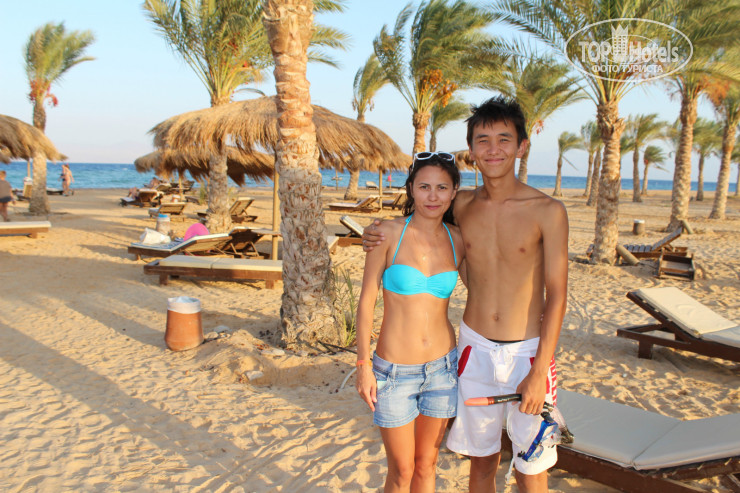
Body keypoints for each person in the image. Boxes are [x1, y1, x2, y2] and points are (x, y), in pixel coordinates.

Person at [363, 96, 569, 493]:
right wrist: (375, 233)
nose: (493, 149)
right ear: (471, 150)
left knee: (531, 467)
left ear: (522, 146)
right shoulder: (461, 203)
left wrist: (539, 370)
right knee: (481, 461)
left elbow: (558, 295)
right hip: (474, 349)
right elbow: (418, 219)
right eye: (483, 140)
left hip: (528, 351)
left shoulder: (548, 211)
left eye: (504, 139)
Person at [355, 152, 465, 492]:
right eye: (424, 187)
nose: (433, 196)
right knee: (401, 472)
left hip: (443, 368)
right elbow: (366, 301)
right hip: (393, 373)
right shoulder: (386, 233)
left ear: (454, 192)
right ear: (411, 189)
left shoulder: (458, 239)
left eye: (442, 188)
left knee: (427, 465)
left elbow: (486, 289)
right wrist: (363, 364)